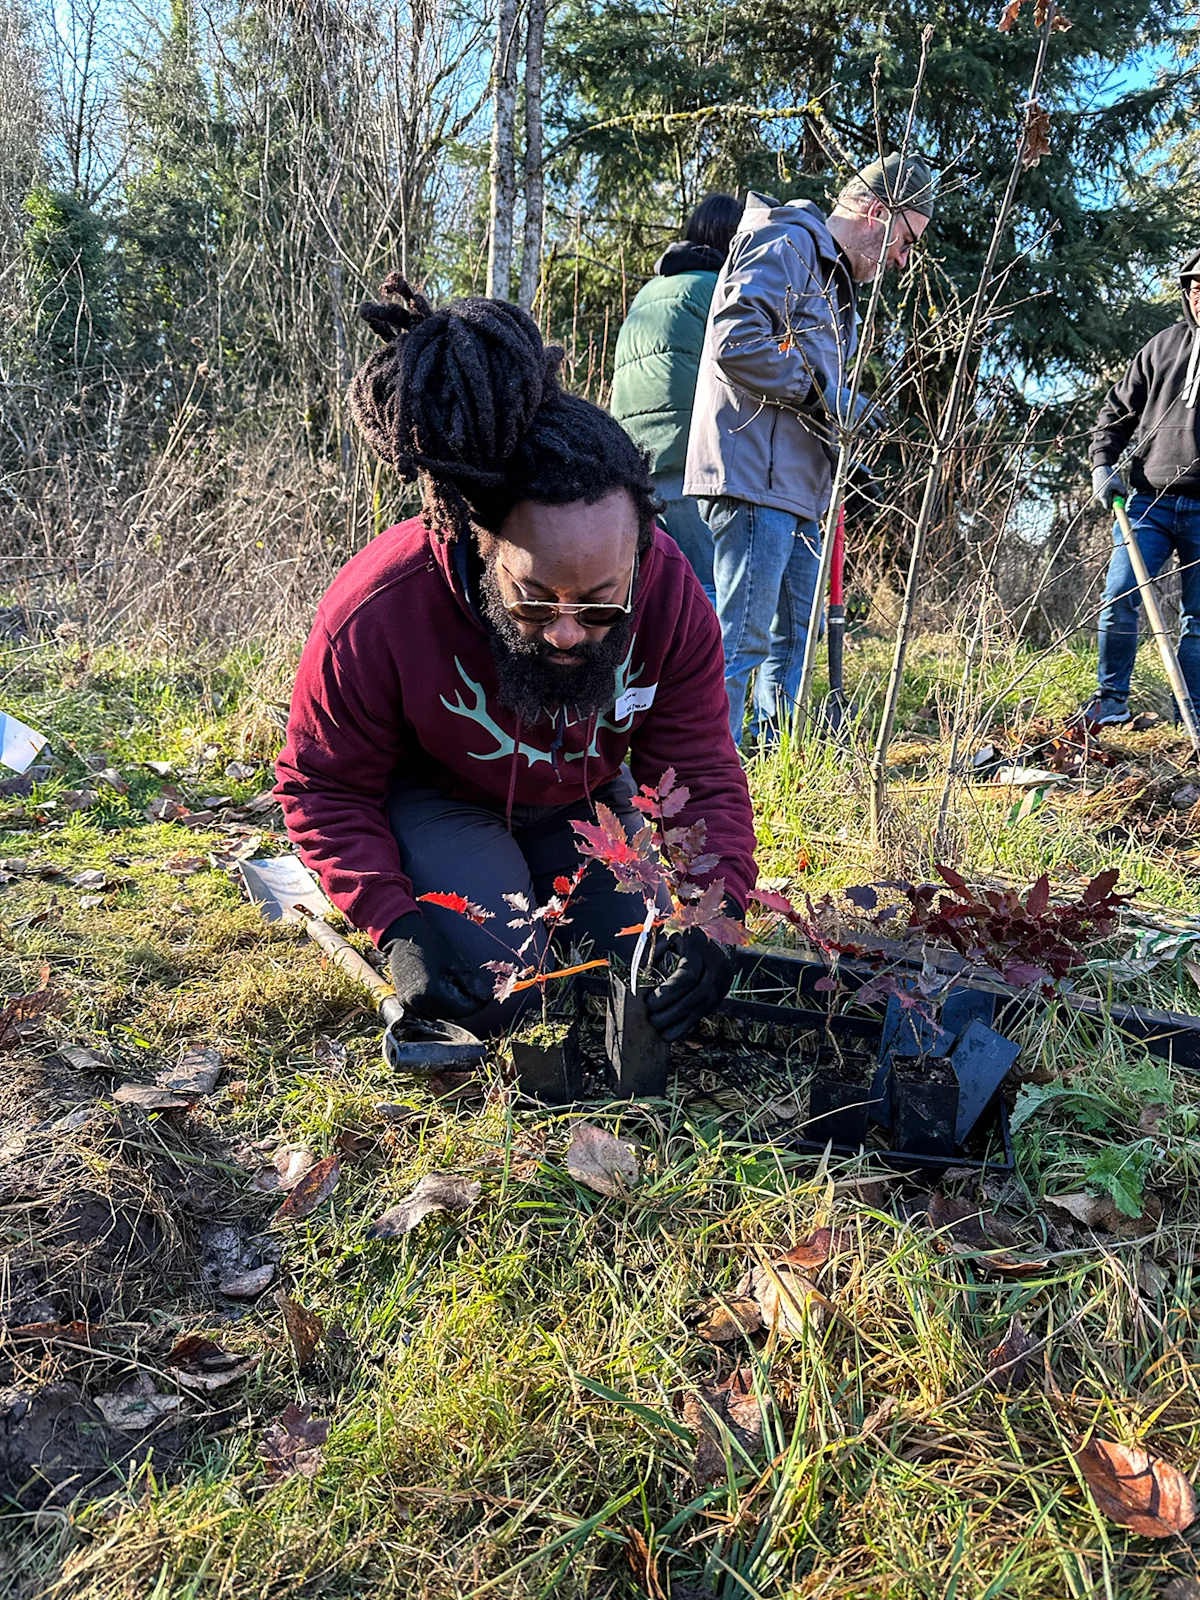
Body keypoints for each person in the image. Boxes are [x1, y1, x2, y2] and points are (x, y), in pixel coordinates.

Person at [276, 277, 757, 1043]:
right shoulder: (379, 606)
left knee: (634, 969)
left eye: (601, 602)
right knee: (499, 992)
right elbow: (322, 783)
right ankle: (463, 887)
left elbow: (697, 765)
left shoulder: (671, 596)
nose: (568, 632)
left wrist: (718, 908)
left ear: (639, 550)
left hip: (584, 797)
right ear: (483, 543)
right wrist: (396, 924)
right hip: (442, 797)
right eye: (535, 599)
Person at [684, 153, 935, 748]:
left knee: (795, 639)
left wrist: (844, 440)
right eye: (904, 242)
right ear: (876, 213)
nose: (902, 260)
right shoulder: (787, 244)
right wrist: (826, 395)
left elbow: (800, 385)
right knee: (742, 641)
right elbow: (735, 342)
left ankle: (769, 771)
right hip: (751, 481)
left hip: (794, 489)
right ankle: (708, 784)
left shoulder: (829, 277)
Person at [1085, 249, 1200, 726]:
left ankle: (1190, 716)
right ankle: (1111, 703)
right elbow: (1116, 412)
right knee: (1119, 598)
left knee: (1198, 623)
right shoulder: (1163, 346)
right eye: (1195, 288)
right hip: (1149, 502)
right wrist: (1102, 464)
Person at [610, 193, 743, 601]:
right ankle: (712, 667)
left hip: (634, 460)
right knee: (711, 588)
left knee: (663, 590)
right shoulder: (718, 291)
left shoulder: (649, 292)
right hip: (692, 460)